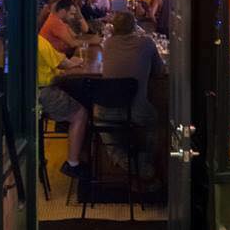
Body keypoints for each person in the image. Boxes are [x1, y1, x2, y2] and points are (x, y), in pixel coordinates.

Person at [98, 11, 166, 179]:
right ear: (134, 26)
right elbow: (160, 71)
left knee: (96, 119)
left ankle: (122, 159)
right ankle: (143, 164)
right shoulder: (147, 43)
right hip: (137, 111)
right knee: (156, 121)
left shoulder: (108, 44)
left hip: (108, 111)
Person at [37, 35, 88, 178]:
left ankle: (78, 144)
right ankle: (73, 164)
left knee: (76, 95)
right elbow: (64, 64)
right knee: (80, 113)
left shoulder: (18, 40)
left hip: (31, 93)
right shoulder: (38, 41)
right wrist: (75, 62)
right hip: (43, 92)